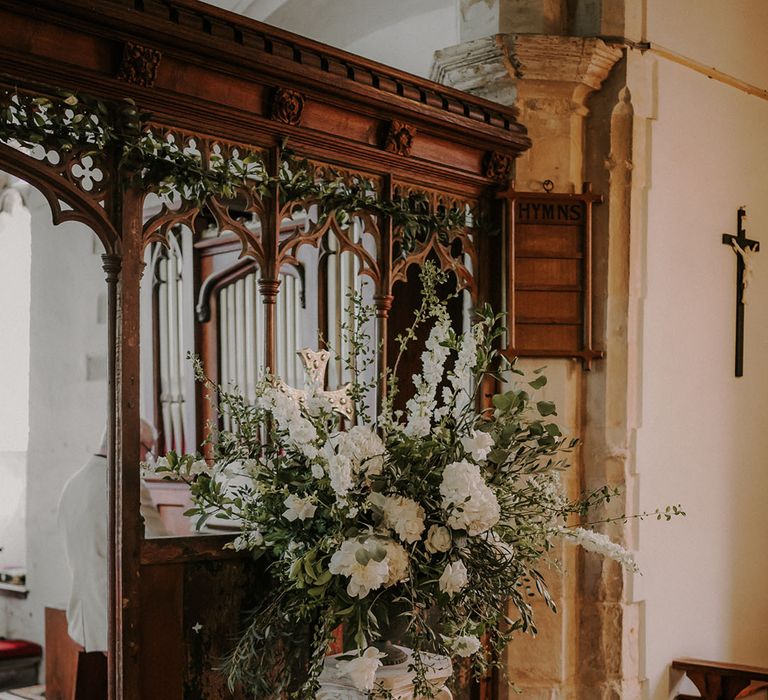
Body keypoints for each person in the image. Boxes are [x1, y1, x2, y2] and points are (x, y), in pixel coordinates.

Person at [58, 420, 167, 652]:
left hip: (85, 617)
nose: (145, 459)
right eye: (147, 449)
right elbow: (160, 546)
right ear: (130, 443)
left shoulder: (73, 484)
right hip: (118, 617)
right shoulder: (125, 485)